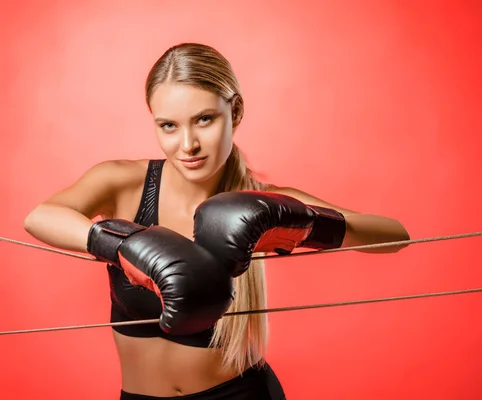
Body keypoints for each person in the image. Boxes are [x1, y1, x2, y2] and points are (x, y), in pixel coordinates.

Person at [23, 42, 411, 399]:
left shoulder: (264, 201)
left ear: (235, 111)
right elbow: (39, 217)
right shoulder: (122, 183)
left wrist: (306, 223)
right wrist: (120, 242)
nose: (187, 144)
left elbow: (395, 236)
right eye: (168, 126)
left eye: (204, 119)